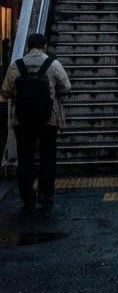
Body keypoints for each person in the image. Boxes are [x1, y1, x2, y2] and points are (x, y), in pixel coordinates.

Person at [0, 33, 71, 212]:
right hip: (48, 118)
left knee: (25, 157)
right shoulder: (53, 64)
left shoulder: (16, 66)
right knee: (48, 156)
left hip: (22, 119)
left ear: (28, 47)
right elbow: (66, 87)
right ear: (44, 45)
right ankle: (45, 193)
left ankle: (27, 196)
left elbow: (6, 91)